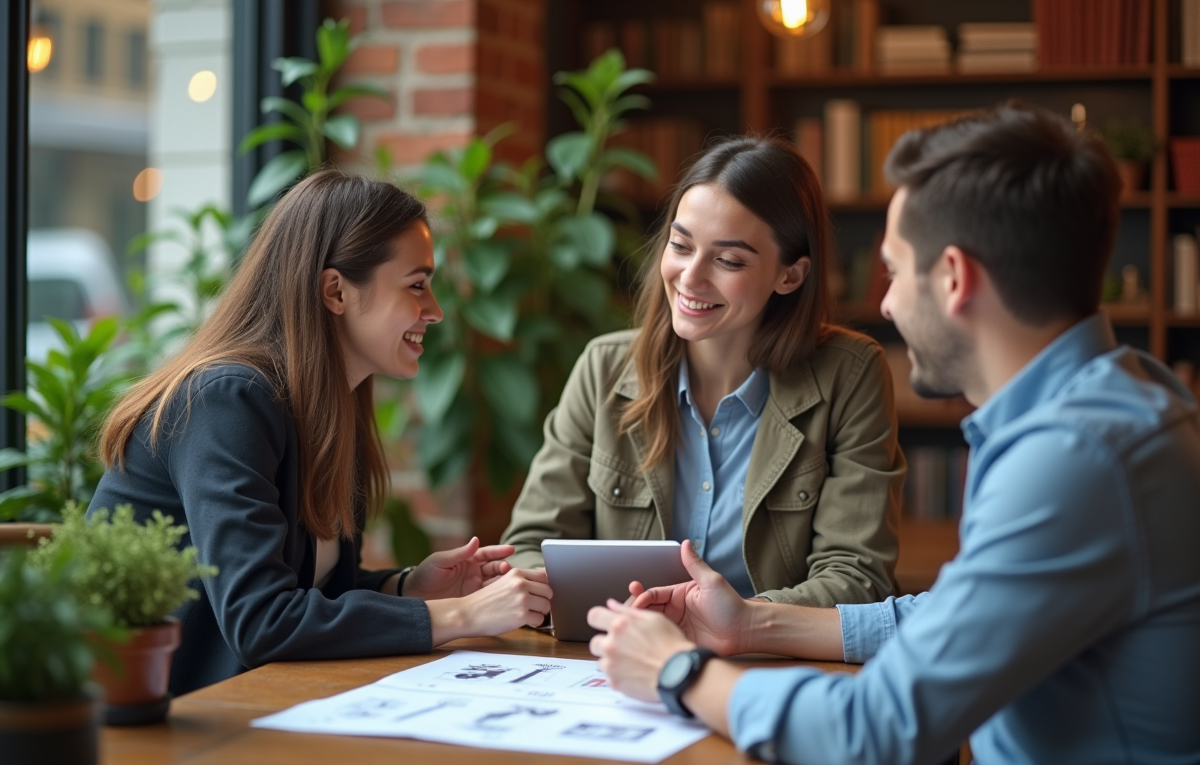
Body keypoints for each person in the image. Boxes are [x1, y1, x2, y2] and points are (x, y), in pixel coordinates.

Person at [586, 104, 1200, 764]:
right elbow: (956, 616)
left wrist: (679, 671)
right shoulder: (1119, 402)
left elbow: (874, 733)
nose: (886, 303)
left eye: (897, 270)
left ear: (956, 279)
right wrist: (751, 623)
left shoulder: (1076, 458)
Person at [91, 171, 552, 696]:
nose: (436, 310)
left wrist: (407, 587)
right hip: (161, 726)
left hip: (255, 707)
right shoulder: (227, 401)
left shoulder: (330, 406)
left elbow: (312, 593)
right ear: (335, 290)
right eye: (417, 285)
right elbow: (261, 620)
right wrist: (459, 614)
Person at [500, 136, 905, 606]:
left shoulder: (851, 375)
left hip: (770, 661)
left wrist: (735, 622)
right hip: (617, 655)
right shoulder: (603, 367)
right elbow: (529, 544)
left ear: (789, 276)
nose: (690, 278)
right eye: (680, 245)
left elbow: (857, 577)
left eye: (728, 260)